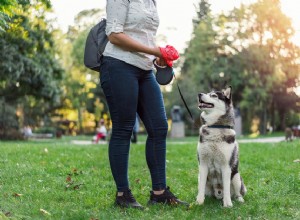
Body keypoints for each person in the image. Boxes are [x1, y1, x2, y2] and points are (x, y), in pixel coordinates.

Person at [100, 0, 189, 209]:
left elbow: (146, 35)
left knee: (159, 127)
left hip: (145, 69)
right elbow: (114, 34)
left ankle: (159, 192)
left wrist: (157, 58)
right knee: (123, 128)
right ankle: (123, 195)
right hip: (119, 65)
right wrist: (156, 51)